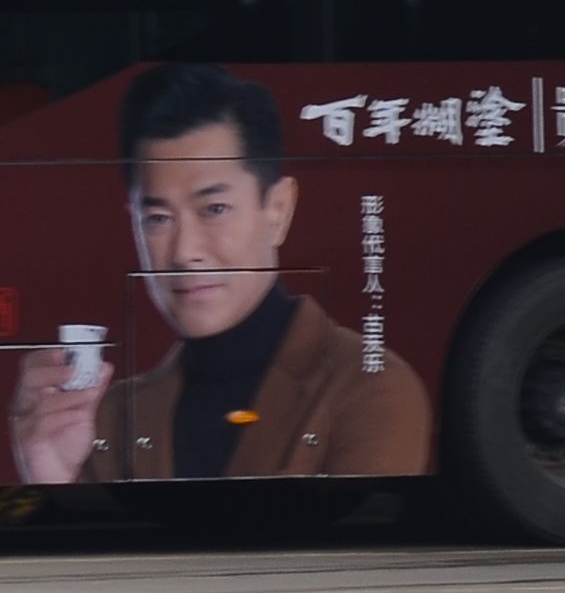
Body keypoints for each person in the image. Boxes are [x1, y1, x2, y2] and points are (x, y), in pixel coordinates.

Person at [5, 63, 432, 485]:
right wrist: (51, 475)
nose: (185, 252)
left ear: (278, 210)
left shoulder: (368, 390)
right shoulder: (112, 416)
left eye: (214, 209)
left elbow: (349, 551)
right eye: (157, 218)